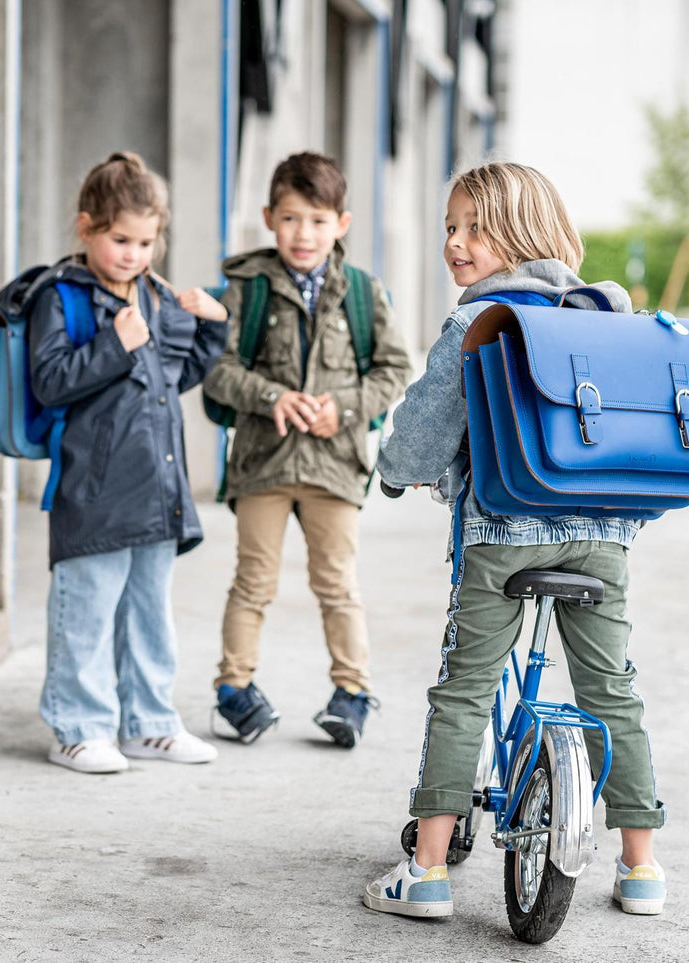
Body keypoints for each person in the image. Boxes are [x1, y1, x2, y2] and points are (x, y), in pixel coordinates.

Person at [364, 162, 666, 918]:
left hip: (501, 535)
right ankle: (642, 866)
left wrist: (396, 472)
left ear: (519, 231)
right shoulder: (606, 316)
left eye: (473, 226)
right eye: (449, 228)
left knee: (463, 689)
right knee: (610, 693)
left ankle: (426, 872)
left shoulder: (477, 322)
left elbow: (422, 432)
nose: (455, 243)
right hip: (602, 536)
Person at [12, 151, 229, 774]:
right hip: (94, 487)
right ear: (87, 229)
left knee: (149, 613)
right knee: (85, 610)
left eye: (146, 241)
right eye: (120, 239)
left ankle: (150, 723)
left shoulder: (155, 298)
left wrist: (210, 331)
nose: (133, 254)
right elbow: (50, 380)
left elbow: (176, 375)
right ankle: (77, 726)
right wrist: (114, 343)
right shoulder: (63, 298)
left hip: (158, 486)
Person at [201, 152, 411, 748]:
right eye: (291, 219)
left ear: (341, 224)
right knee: (252, 582)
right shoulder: (247, 288)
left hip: (334, 465)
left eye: (318, 221)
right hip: (263, 463)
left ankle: (352, 692)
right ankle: (233, 690)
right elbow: (216, 368)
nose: (303, 234)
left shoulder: (364, 294)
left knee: (338, 584)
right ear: (269, 217)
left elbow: (394, 369)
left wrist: (340, 405)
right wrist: (270, 397)